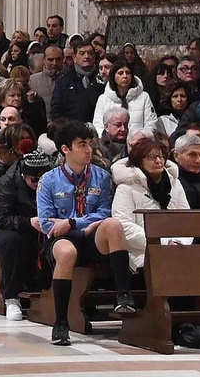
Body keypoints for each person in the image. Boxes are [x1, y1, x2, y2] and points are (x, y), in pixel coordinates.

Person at [38, 119, 132, 346]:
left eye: (90, 143)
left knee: (114, 225)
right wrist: (74, 225)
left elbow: (104, 211)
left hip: (91, 237)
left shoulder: (102, 176)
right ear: (65, 149)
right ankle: (61, 323)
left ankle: (124, 296)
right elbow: (48, 223)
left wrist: (72, 222)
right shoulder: (49, 180)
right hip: (61, 242)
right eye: (82, 145)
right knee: (67, 251)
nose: (89, 150)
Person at [0, 146, 55, 321]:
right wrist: (29, 222)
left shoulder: (53, 181)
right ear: (24, 175)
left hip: (39, 227)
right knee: (12, 241)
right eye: (34, 180)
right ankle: (11, 297)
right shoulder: (7, 183)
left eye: (43, 179)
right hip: (1, 227)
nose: (39, 184)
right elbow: (1, 218)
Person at [110, 137, 191, 278]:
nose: (159, 161)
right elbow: (123, 226)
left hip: (178, 249)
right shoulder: (126, 187)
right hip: (141, 253)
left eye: (160, 156)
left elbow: (186, 219)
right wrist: (163, 243)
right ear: (139, 161)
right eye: (152, 157)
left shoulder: (174, 183)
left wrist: (179, 242)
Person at [92, 60, 157, 136]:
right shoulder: (103, 99)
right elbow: (98, 124)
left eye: (128, 73)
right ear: (113, 76)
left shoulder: (144, 97)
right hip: (110, 144)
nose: (125, 76)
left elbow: (151, 123)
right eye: (120, 73)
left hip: (138, 143)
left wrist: (140, 138)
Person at [50, 44, 103, 123]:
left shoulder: (102, 77)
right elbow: (56, 109)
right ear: (74, 58)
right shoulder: (64, 79)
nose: (86, 56)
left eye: (90, 53)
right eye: (82, 53)